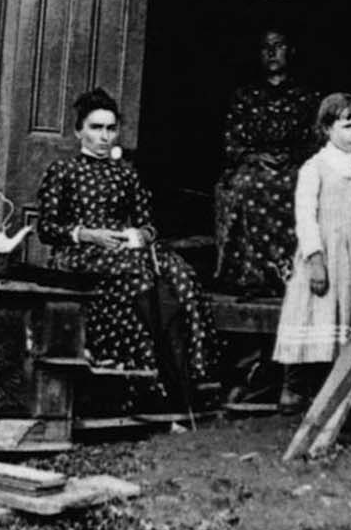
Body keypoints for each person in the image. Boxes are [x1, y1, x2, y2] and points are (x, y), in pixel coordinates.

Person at [36, 88, 217, 414]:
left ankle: (188, 380)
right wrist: (89, 234)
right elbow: (47, 229)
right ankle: (149, 382)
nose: (104, 137)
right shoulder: (63, 171)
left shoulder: (127, 174)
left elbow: (149, 226)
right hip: (80, 255)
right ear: (79, 131)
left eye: (110, 129)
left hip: (125, 250)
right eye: (95, 128)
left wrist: (135, 236)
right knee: (140, 279)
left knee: (180, 273)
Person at [272, 92, 351, 413]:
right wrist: (315, 260)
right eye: (347, 125)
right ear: (327, 128)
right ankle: (294, 388)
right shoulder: (314, 168)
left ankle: (341, 388)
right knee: (312, 312)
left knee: (349, 317)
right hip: (323, 256)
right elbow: (305, 217)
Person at [215, 27, 320, 295]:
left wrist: (292, 157)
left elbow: (317, 140)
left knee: (300, 186)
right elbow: (231, 141)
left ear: (291, 51)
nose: (272, 52)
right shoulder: (245, 96)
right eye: (266, 47)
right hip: (254, 164)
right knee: (246, 185)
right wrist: (254, 156)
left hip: (294, 165)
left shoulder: (306, 97)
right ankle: (252, 274)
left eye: (279, 46)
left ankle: (292, 273)